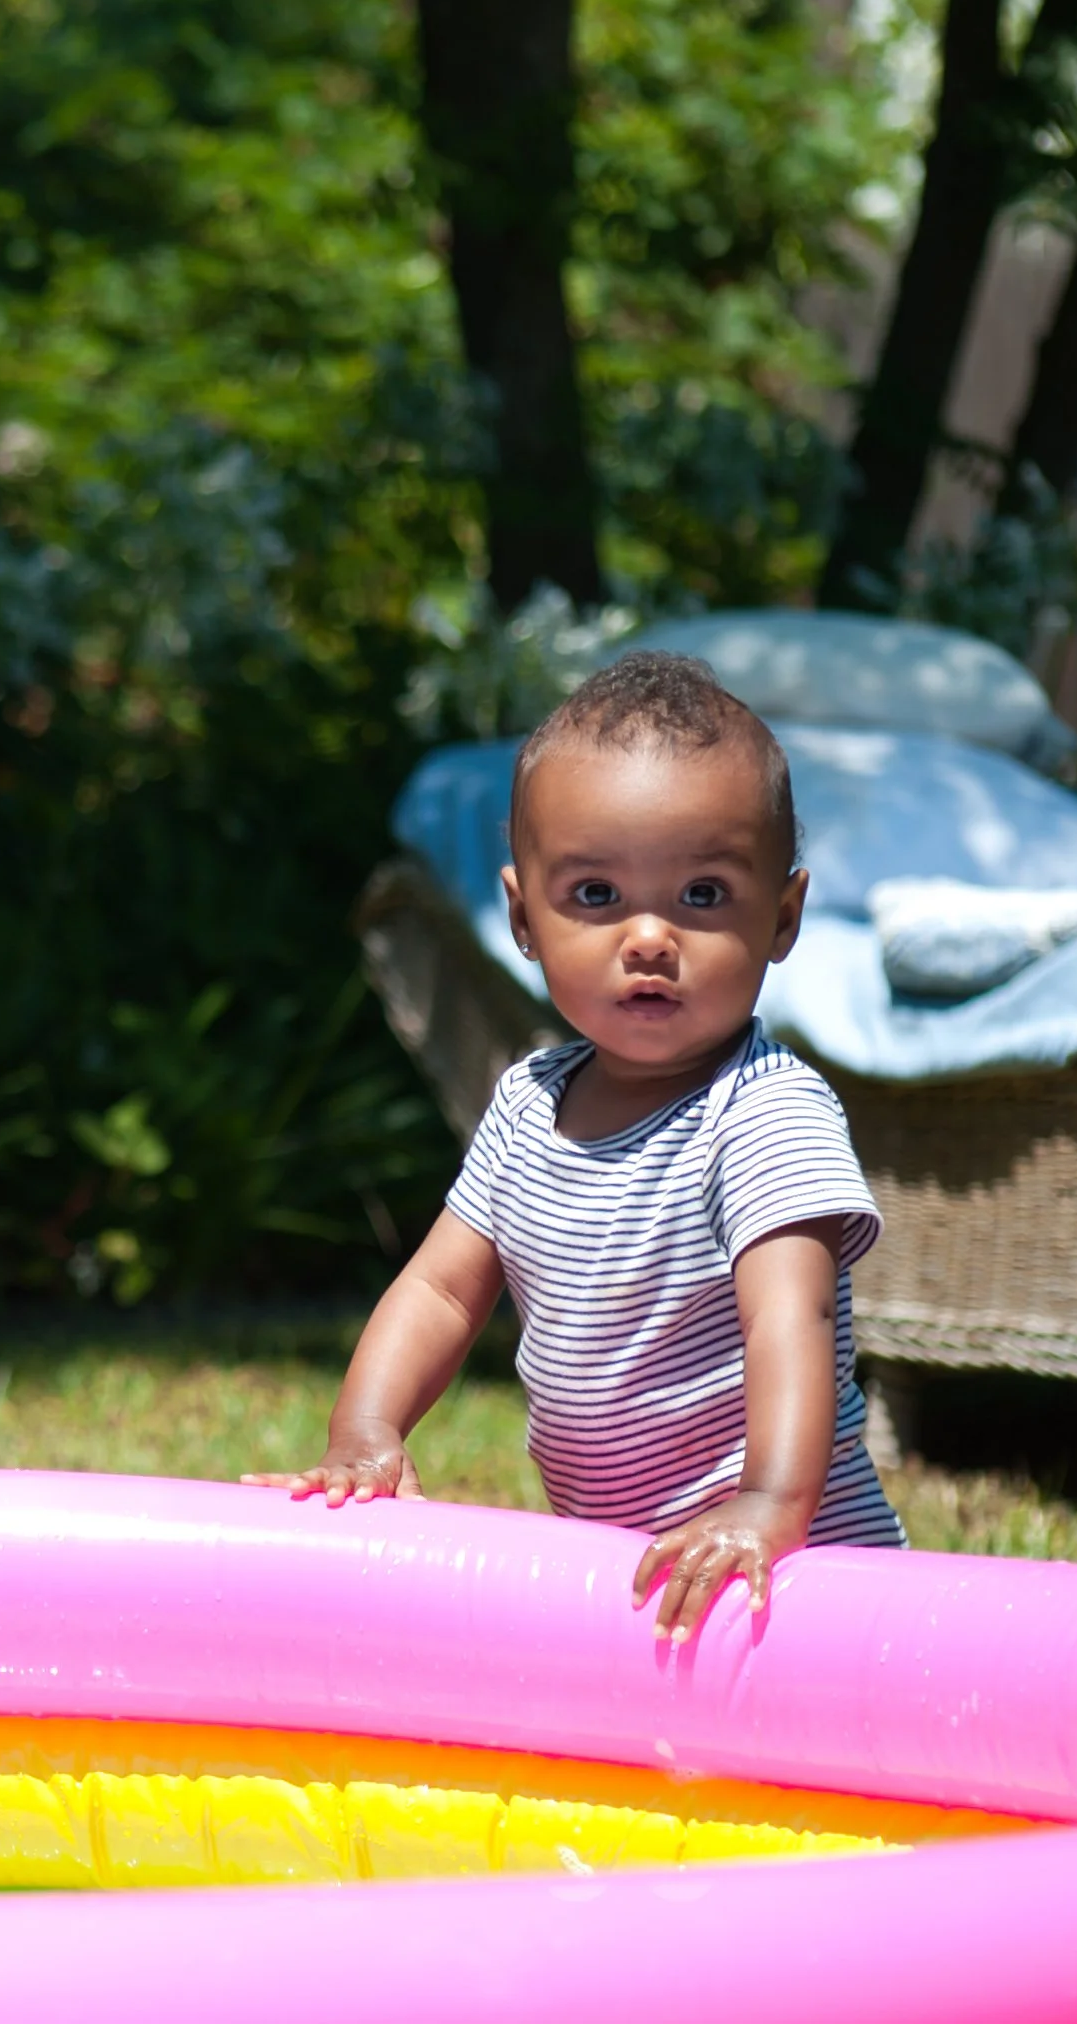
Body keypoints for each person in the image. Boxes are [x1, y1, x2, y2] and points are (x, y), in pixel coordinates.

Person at [246, 650, 905, 1640]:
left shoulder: (762, 1112)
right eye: (596, 896)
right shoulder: (524, 1105)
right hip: (627, 1565)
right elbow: (439, 1289)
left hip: (795, 1574)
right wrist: (367, 1432)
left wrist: (771, 1506)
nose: (649, 937)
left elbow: (790, 1321)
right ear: (522, 916)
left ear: (781, 916)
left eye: (702, 895)